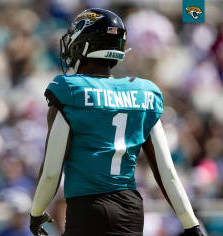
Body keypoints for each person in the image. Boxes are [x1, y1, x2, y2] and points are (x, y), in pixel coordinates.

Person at [29, 8, 204, 236]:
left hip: (86, 208)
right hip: (130, 210)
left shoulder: (69, 91)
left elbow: (51, 173)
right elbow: (167, 172)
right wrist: (192, 225)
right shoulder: (144, 94)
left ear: (84, 45)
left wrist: (36, 213)